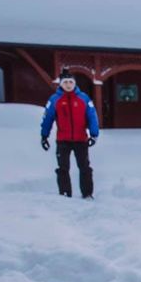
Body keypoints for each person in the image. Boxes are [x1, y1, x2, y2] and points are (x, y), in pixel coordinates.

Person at [40, 69, 99, 199]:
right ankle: (65, 193)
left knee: (84, 167)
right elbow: (47, 118)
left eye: (70, 82)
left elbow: (92, 116)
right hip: (63, 140)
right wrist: (44, 136)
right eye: (65, 82)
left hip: (80, 139)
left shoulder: (83, 98)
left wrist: (94, 134)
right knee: (63, 168)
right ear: (61, 84)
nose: (68, 84)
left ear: (74, 83)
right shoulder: (55, 99)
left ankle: (87, 193)